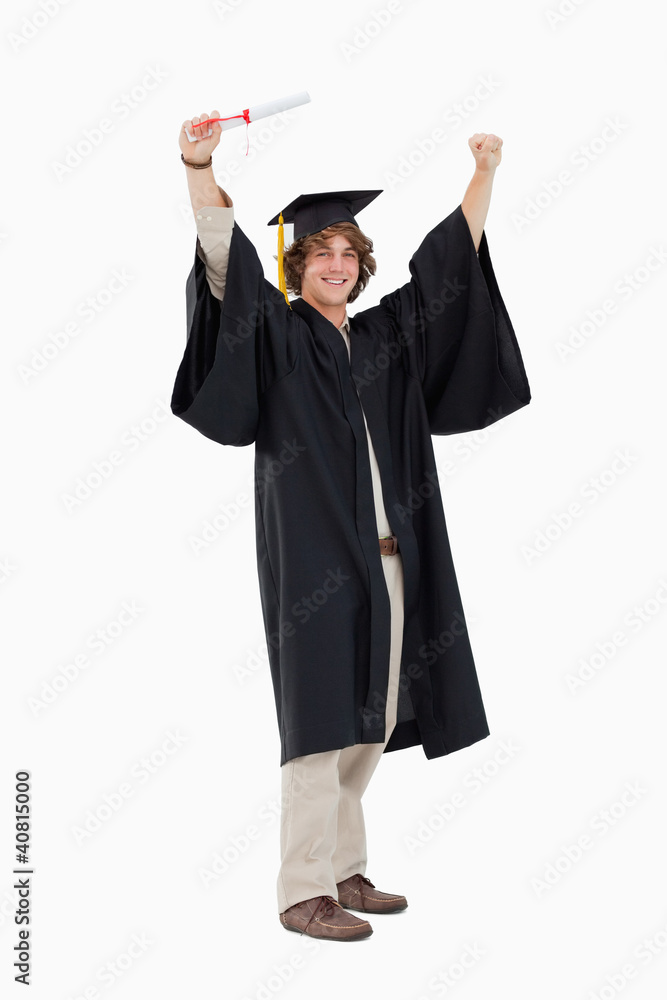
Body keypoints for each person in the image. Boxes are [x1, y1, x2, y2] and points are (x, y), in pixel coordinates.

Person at [172, 110, 531, 941]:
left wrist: (482, 174)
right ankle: (301, 892)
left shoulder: (384, 337)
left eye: (346, 253)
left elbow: (450, 263)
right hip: (314, 564)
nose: (335, 263)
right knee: (318, 723)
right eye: (319, 254)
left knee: (369, 717)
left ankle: (342, 870)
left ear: (360, 268)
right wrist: (199, 170)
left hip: (392, 559)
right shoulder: (276, 334)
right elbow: (226, 265)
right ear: (297, 267)